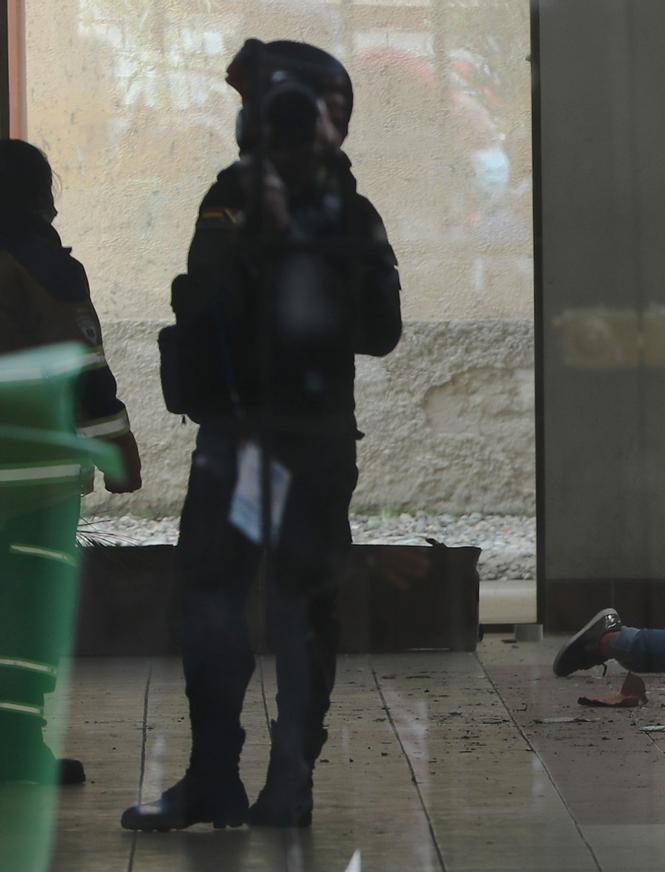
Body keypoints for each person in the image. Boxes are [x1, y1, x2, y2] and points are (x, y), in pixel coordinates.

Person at [120, 39, 402, 831]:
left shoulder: (233, 197)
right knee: (302, 610)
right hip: (317, 443)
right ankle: (290, 785)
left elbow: (202, 307)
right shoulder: (356, 210)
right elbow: (383, 331)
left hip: (243, 444)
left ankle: (214, 779)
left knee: (215, 601)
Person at [0, 139, 143, 785]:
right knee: (25, 619)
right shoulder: (43, 266)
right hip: (30, 481)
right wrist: (118, 450)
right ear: (39, 195)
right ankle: (17, 747)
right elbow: (85, 371)